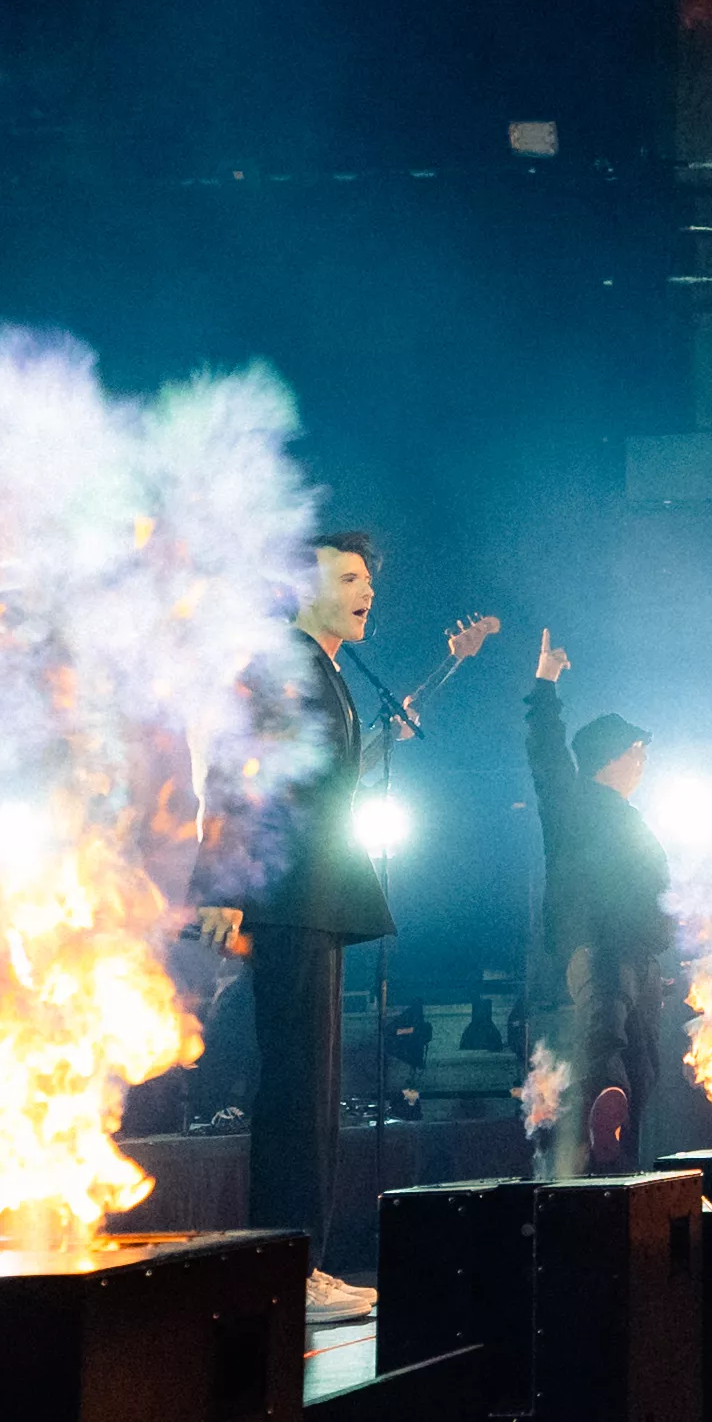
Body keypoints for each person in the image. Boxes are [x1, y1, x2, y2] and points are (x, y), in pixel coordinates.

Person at [239, 529, 492, 1313]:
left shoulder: (327, 671)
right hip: (287, 900)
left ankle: (296, 1260)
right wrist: (224, 888)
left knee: (312, 1089)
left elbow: (341, 776)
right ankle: (283, 1265)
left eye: (367, 581)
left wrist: (448, 670)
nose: (365, 591)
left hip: (312, 897)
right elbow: (247, 778)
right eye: (346, 577)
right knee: (295, 1090)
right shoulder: (285, 665)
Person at [520, 630, 665, 1173]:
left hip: (640, 956)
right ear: (609, 757)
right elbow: (546, 751)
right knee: (606, 1034)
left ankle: (622, 1161)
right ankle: (597, 1128)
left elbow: (654, 892)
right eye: (635, 750)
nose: (643, 760)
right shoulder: (571, 800)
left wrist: (660, 944)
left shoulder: (637, 821)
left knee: (645, 1064)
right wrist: (546, 683)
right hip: (596, 947)